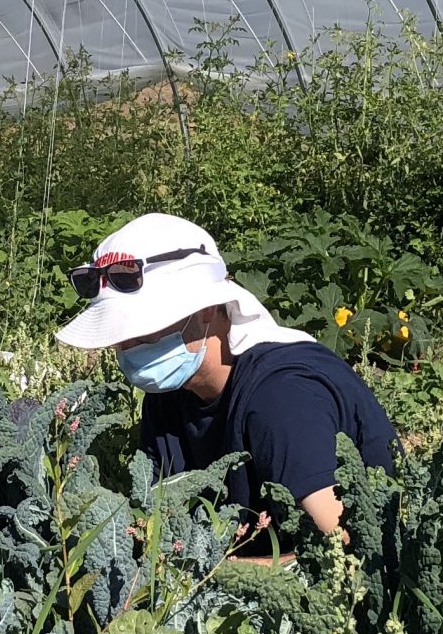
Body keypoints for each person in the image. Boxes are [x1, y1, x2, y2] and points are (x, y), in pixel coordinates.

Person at [57, 214, 394, 538]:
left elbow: (345, 545)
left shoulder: (283, 395)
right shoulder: (170, 396)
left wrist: (212, 571)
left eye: (143, 330)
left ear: (205, 309)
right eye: (118, 334)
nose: (125, 346)